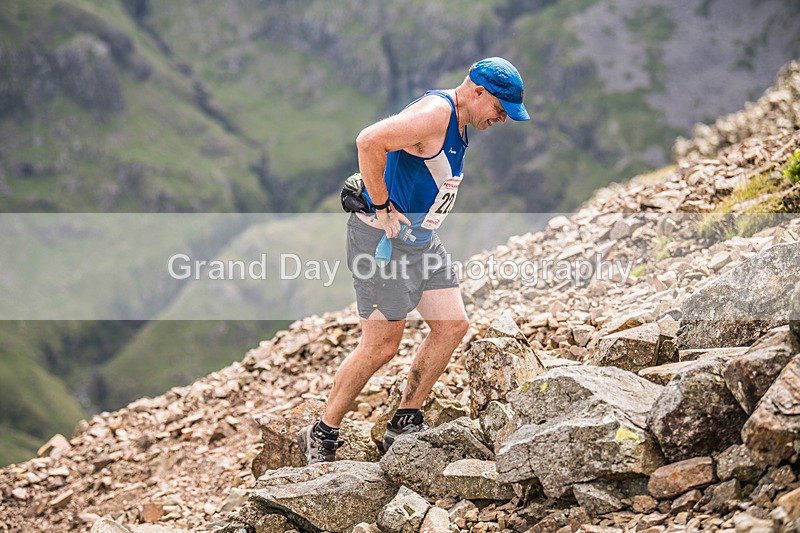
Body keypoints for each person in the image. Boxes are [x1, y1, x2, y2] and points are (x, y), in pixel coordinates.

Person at [298, 57, 530, 464]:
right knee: (381, 347)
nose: (502, 119)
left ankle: (405, 420)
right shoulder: (436, 113)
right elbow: (369, 140)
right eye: (499, 109)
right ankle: (322, 432)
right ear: (478, 92)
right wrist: (383, 205)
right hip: (382, 241)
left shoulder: (458, 122)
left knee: (452, 325)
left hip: (421, 240)